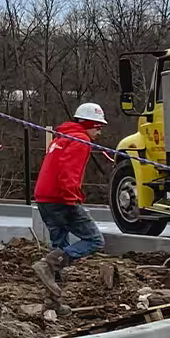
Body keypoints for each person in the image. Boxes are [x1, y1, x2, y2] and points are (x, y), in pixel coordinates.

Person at [32, 102, 110, 298]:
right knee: (94, 240)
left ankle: (54, 294)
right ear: (87, 124)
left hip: (44, 197)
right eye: (98, 127)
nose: (99, 132)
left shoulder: (61, 138)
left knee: (59, 243)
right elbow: (68, 172)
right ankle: (49, 264)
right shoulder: (80, 140)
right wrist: (72, 198)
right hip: (60, 198)